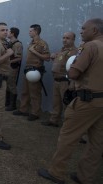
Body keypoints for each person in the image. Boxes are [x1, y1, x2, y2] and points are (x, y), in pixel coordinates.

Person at [38, 18, 103, 184]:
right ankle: (85, 176)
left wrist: (72, 68)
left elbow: (74, 73)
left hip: (86, 100)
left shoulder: (89, 47)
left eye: (83, 29)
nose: (81, 32)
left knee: (67, 136)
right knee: (96, 142)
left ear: (94, 30)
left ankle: (56, 172)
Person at [13, 24, 50, 121]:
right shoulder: (31, 43)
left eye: (31, 31)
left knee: (35, 93)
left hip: (35, 71)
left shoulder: (42, 43)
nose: (29, 32)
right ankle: (23, 109)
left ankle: (35, 113)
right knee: (25, 91)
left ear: (36, 32)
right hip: (28, 70)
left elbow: (47, 57)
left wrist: (34, 52)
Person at [41, 32, 77, 127]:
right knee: (56, 102)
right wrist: (55, 57)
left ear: (73, 40)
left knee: (67, 104)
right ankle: (54, 120)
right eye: (63, 37)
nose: (64, 40)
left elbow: (73, 67)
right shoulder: (63, 50)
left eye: (68, 38)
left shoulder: (73, 52)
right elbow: (62, 63)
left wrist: (72, 83)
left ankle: (68, 125)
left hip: (65, 82)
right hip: (57, 80)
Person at [5, 27, 23, 111]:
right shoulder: (9, 42)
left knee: (12, 85)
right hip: (7, 67)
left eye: (8, 31)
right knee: (7, 84)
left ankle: (12, 105)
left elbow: (19, 58)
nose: (7, 33)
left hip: (12, 67)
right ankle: (7, 102)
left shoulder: (17, 44)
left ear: (12, 34)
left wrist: (9, 62)